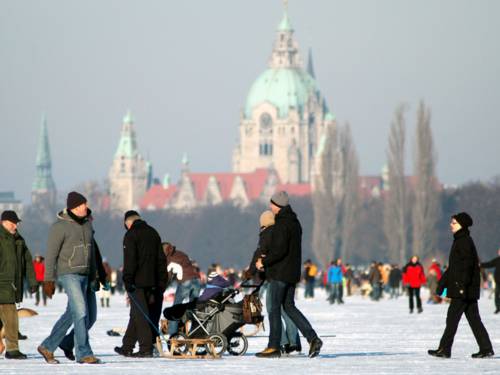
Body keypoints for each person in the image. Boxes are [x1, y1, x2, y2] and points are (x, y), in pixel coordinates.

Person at [255, 191, 322, 358]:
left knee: (274, 309)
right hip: (292, 273)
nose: (270, 207)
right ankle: (313, 338)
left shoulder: (281, 224)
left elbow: (279, 250)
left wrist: (263, 262)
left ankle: (274, 346)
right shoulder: (294, 222)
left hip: (280, 273)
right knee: (289, 307)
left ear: (278, 205)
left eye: (272, 204)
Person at [38, 192, 101, 364]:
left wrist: (95, 275)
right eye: (82, 205)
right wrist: (48, 279)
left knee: (87, 315)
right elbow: (50, 255)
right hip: (69, 273)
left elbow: (92, 253)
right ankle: (83, 352)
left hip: (86, 274)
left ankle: (48, 346)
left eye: (85, 204)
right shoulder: (59, 227)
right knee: (80, 311)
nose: (85, 207)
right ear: (73, 207)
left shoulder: (88, 225)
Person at [428, 212, 494, 359]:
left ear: (461, 225)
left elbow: (467, 266)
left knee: (452, 318)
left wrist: (461, 286)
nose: (451, 225)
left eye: (454, 223)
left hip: (463, 290)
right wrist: (442, 284)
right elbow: (453, 268)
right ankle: (486, 348)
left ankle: (444, 349)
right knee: (474, 319)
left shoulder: (464, 241)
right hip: (464, 289)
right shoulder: (460, 240)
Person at [245, 210, 301, 354]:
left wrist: (250, 272)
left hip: (275, 277)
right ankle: (294, 342)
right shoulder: (281, 231)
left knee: (273, 309)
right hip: (287, 274)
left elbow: (259, 254)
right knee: (286, 309)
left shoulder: (267, 233)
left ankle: (280, 342)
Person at [114, 210, 167, 358]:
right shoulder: (153, 233)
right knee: (136, 314)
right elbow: (161, 259)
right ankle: (127, 346)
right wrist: (162, 280)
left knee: (141, 316)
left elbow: (130, 260)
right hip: (154, 281)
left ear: (127, 222)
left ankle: (145, 349)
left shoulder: (130, 235)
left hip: (137, 282)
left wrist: (127, 279)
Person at [0, 210, 36, 359]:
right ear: (3, 222)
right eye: (12, 223)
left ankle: (12, 349)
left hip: (11, 286)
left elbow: (27, 261)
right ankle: (12, 348)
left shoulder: (19, 239)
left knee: (11, 318)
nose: (15, 226)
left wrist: (33, 281)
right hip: (3, 282)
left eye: (16, 223)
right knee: (10, 318)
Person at [162, 242, 201, 336]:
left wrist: (163, 288)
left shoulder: (169, 259)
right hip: (196, 280)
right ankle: (195, 332)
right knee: (194, 308)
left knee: (175, 308)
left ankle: (173, 334)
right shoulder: (181, 253)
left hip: (185, 281)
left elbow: (168, 276)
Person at [481, 248, 500, 314]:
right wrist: (480, 265)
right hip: (498, 282)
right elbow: (489, 264)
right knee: (496, 295)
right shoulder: (497, 260)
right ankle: (498, 308)